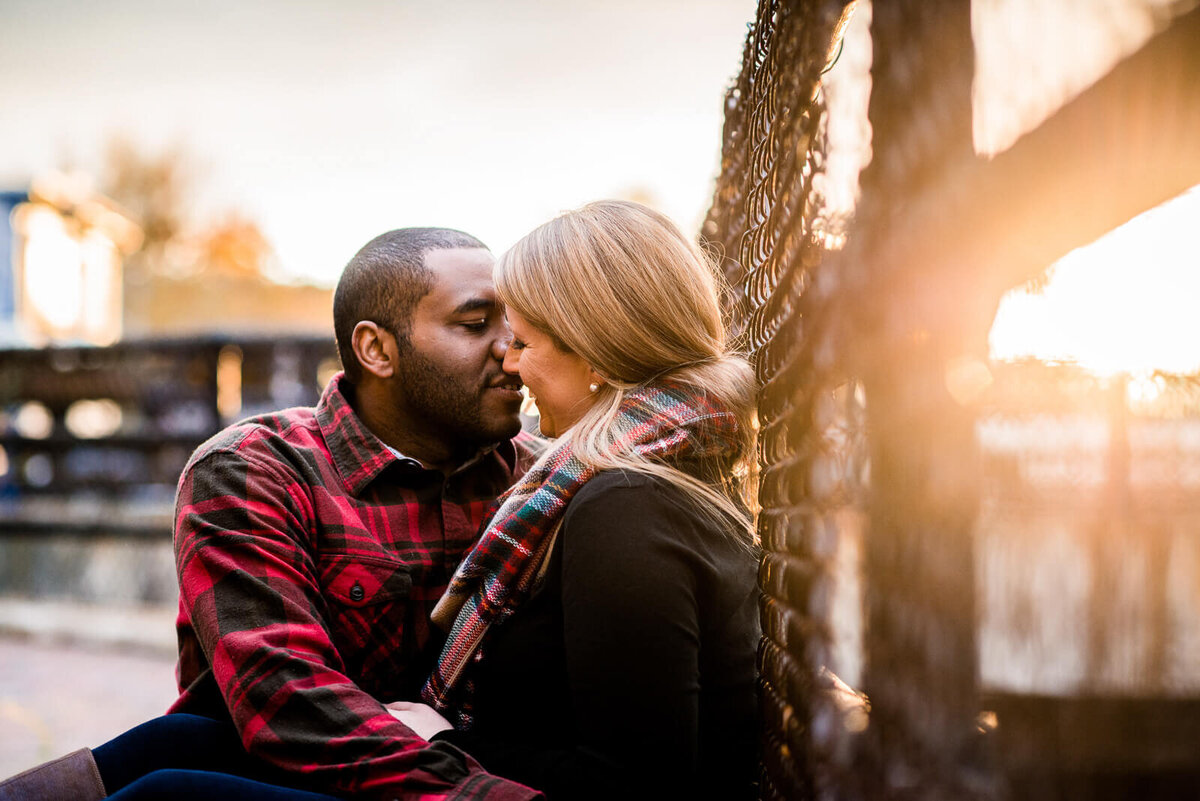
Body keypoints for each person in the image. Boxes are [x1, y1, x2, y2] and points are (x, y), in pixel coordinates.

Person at [0, 228, 544, 801]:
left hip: (454, 773)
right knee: (171, 773)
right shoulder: (252, 472)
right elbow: (288, 701)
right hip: (292, 774)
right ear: (377, 351)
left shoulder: (545, 482)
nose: (512, 347)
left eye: (513, 323)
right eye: (476, 323)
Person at [394, 200, 762, 800]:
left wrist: (444, 745)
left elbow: (634, 784)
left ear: (592, 353)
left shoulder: (627, 504)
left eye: (524, 341)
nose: (510, 365)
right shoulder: (666, 470)